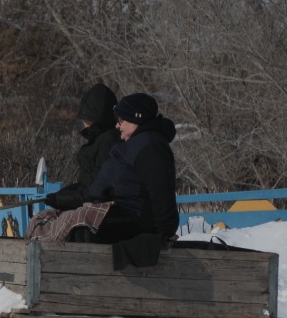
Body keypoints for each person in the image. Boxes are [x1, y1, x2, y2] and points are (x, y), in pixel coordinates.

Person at [33, 92, 178, 253]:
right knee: (57, 218)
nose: (118, 126)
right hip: (124, 214)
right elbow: (98, 187)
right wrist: (62, 198)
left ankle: (76, 269)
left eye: (121, 120)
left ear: (136, 119)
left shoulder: (150, 147)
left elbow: (161, 192)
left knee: (81, 224)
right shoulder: (137, 145)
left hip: (135, 221)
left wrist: (162, 235)